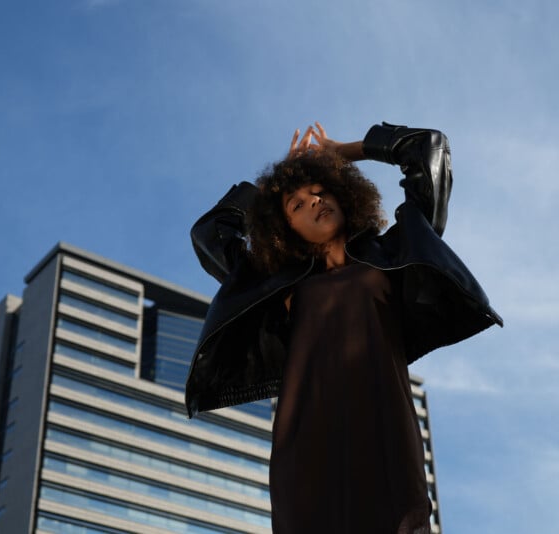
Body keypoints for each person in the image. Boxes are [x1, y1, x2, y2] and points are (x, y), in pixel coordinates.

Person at [187, 122, 502, 533]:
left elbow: (429, 149)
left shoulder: (396, 250)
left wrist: (344, 153)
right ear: (285, 231)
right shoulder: (277, 285)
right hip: (307, 448)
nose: (313, 201)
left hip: (386, 432)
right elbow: (209, 232)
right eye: (296, 206)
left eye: (318, 189)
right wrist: (269, 193)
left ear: (340, 192)